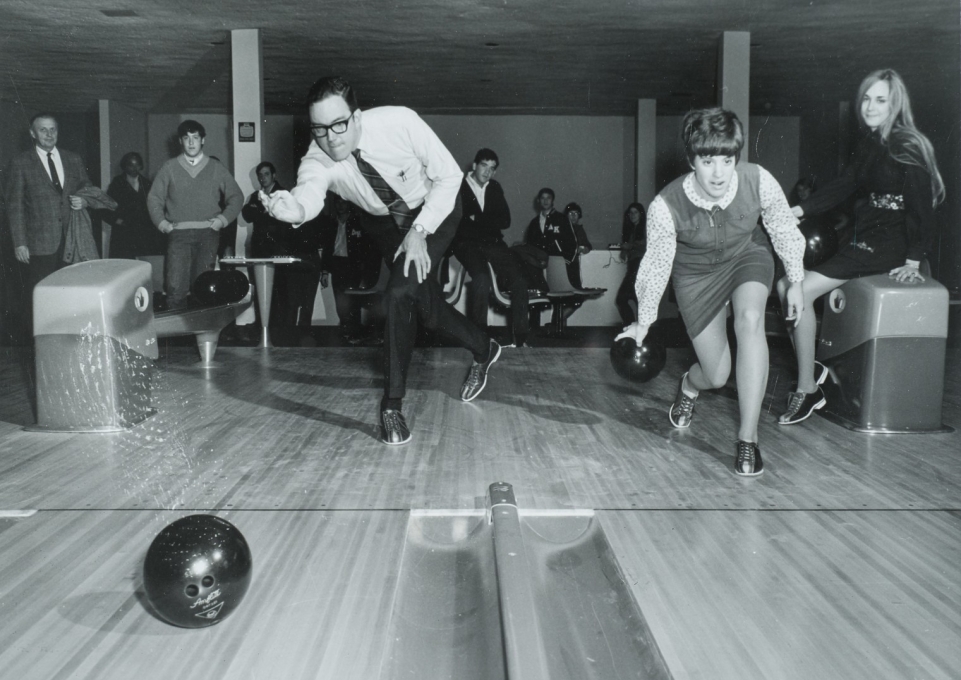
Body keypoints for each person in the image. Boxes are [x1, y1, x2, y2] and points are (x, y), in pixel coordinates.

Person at [260, 76, 500, 445]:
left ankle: (391, 406)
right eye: (320, 129)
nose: (331, 138)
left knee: (400, 292)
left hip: (436, 205)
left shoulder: (399, 122)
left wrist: (420, 231)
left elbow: (451, 176)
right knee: (427, 308)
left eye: (339, 124)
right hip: (385, 222)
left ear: (357, 118)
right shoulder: (318, 156)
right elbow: (309, 193)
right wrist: (293, 209)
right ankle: (484, 348)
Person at [617, 108, 806, 477]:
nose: (719, 172)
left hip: (746, 257)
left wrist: (795, 280)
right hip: (695, 277)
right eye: (708, 161)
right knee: (716, 376)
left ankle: (747, 440)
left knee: (750, 321)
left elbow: (782, 226)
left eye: (727, 159)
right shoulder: (664, 205)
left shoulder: (758, 180)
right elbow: (656, 264)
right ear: (692, 160)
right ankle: (689, 386)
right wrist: (644, 321)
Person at [776, 69, 945, 426]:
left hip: (889, 245)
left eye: (880, 99)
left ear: (895, 104)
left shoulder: (907, 144)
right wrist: (800, 209)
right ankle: (812, 372)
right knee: (785, 287)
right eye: (866, 98)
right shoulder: (871, 142)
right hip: (865, 237)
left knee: (798, 291)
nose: (870, 106)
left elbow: (922, 208)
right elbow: (845, 184)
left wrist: (914, 260)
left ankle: (807, 388)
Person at [147, 120, 244, 310]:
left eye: (195, 138)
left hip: (208, 235)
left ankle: (202, 338)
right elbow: (154, 198)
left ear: (203, 140)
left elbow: (237, 196)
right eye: (186, 138)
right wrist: (161, 223)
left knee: (204, 288)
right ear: (180, 142)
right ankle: (178, 338)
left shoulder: (216, 168)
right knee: (175, 287)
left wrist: (222, 220)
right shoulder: (169, 167)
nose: (191, 143)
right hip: (178, 235)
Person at [451, 148, 533, 347]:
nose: (487, 172)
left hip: (494, 244)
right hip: (466, 244)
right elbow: (457, 222)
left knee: (520, 281)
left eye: (492, 168)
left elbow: (505, 220)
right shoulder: (457, 186)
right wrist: (486, 222)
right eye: (484, 166)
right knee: (481, 279)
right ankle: (479, 339)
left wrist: (475, 218)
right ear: (474, 166)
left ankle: (520, 340)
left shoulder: (494, 187)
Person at [6, 113, 92, 294]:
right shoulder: (21, 162)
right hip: (39, 244)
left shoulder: (73, 159)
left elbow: (87, 188)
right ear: (32, 133)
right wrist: (20, 243)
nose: (49, 134)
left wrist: (85, 200)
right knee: (41, 294)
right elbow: (15, 206)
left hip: (72, 240)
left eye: (53, 129)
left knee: (70, 291)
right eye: (43, 130)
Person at [318, 193, 380, 340]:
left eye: (344, 202)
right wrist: (325, 271)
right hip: (337, 265)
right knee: (340, 301)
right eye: (338, 202)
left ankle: (355, 332)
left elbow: (367, 248)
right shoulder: (331, 224)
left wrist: (365, 270)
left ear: (349, 204)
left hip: (354, 267)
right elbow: (327, 249)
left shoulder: (358, 222)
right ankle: (346, 331)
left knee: (354, 301)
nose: (341, 205)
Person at [524, 188, 588, 287]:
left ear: (553, 200)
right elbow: (530, 246)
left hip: (560, 266)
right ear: (538, 201)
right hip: (541, 267)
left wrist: (564, 262)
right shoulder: (534, 223)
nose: (545, 201)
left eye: (548, 198)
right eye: (542, 198)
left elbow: (572, 243)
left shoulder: (562, 219)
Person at [106, 152, 165, 260]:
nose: (134, 168)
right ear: (124, 166)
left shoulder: (147, 184)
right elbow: (107, 206)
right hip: (124, 233)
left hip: (143, 233)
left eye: (137, 165)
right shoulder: (117, 183)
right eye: (131, 165)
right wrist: (116, 220)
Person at [614, 202, 647, 324]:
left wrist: (630, 246)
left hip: (640, 267)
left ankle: (633, 328)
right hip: (634, 266)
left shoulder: (645, 227)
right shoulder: (632, 229)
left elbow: (646, 244)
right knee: (634, 299)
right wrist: (625, 250)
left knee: (622, 299)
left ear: (641, 214)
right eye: (630, 213)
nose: (632, 215)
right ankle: (635, 329)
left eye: (635, 212)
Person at [562, 201, 593, 287]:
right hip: (563, 264)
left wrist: (586, 248)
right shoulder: (562, 228)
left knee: (576, 289)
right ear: (566, 215)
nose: (573, 216)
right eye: (571, 213)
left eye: (576, 213)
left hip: (575, 263)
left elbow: (588, 245)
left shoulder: (579, 229)